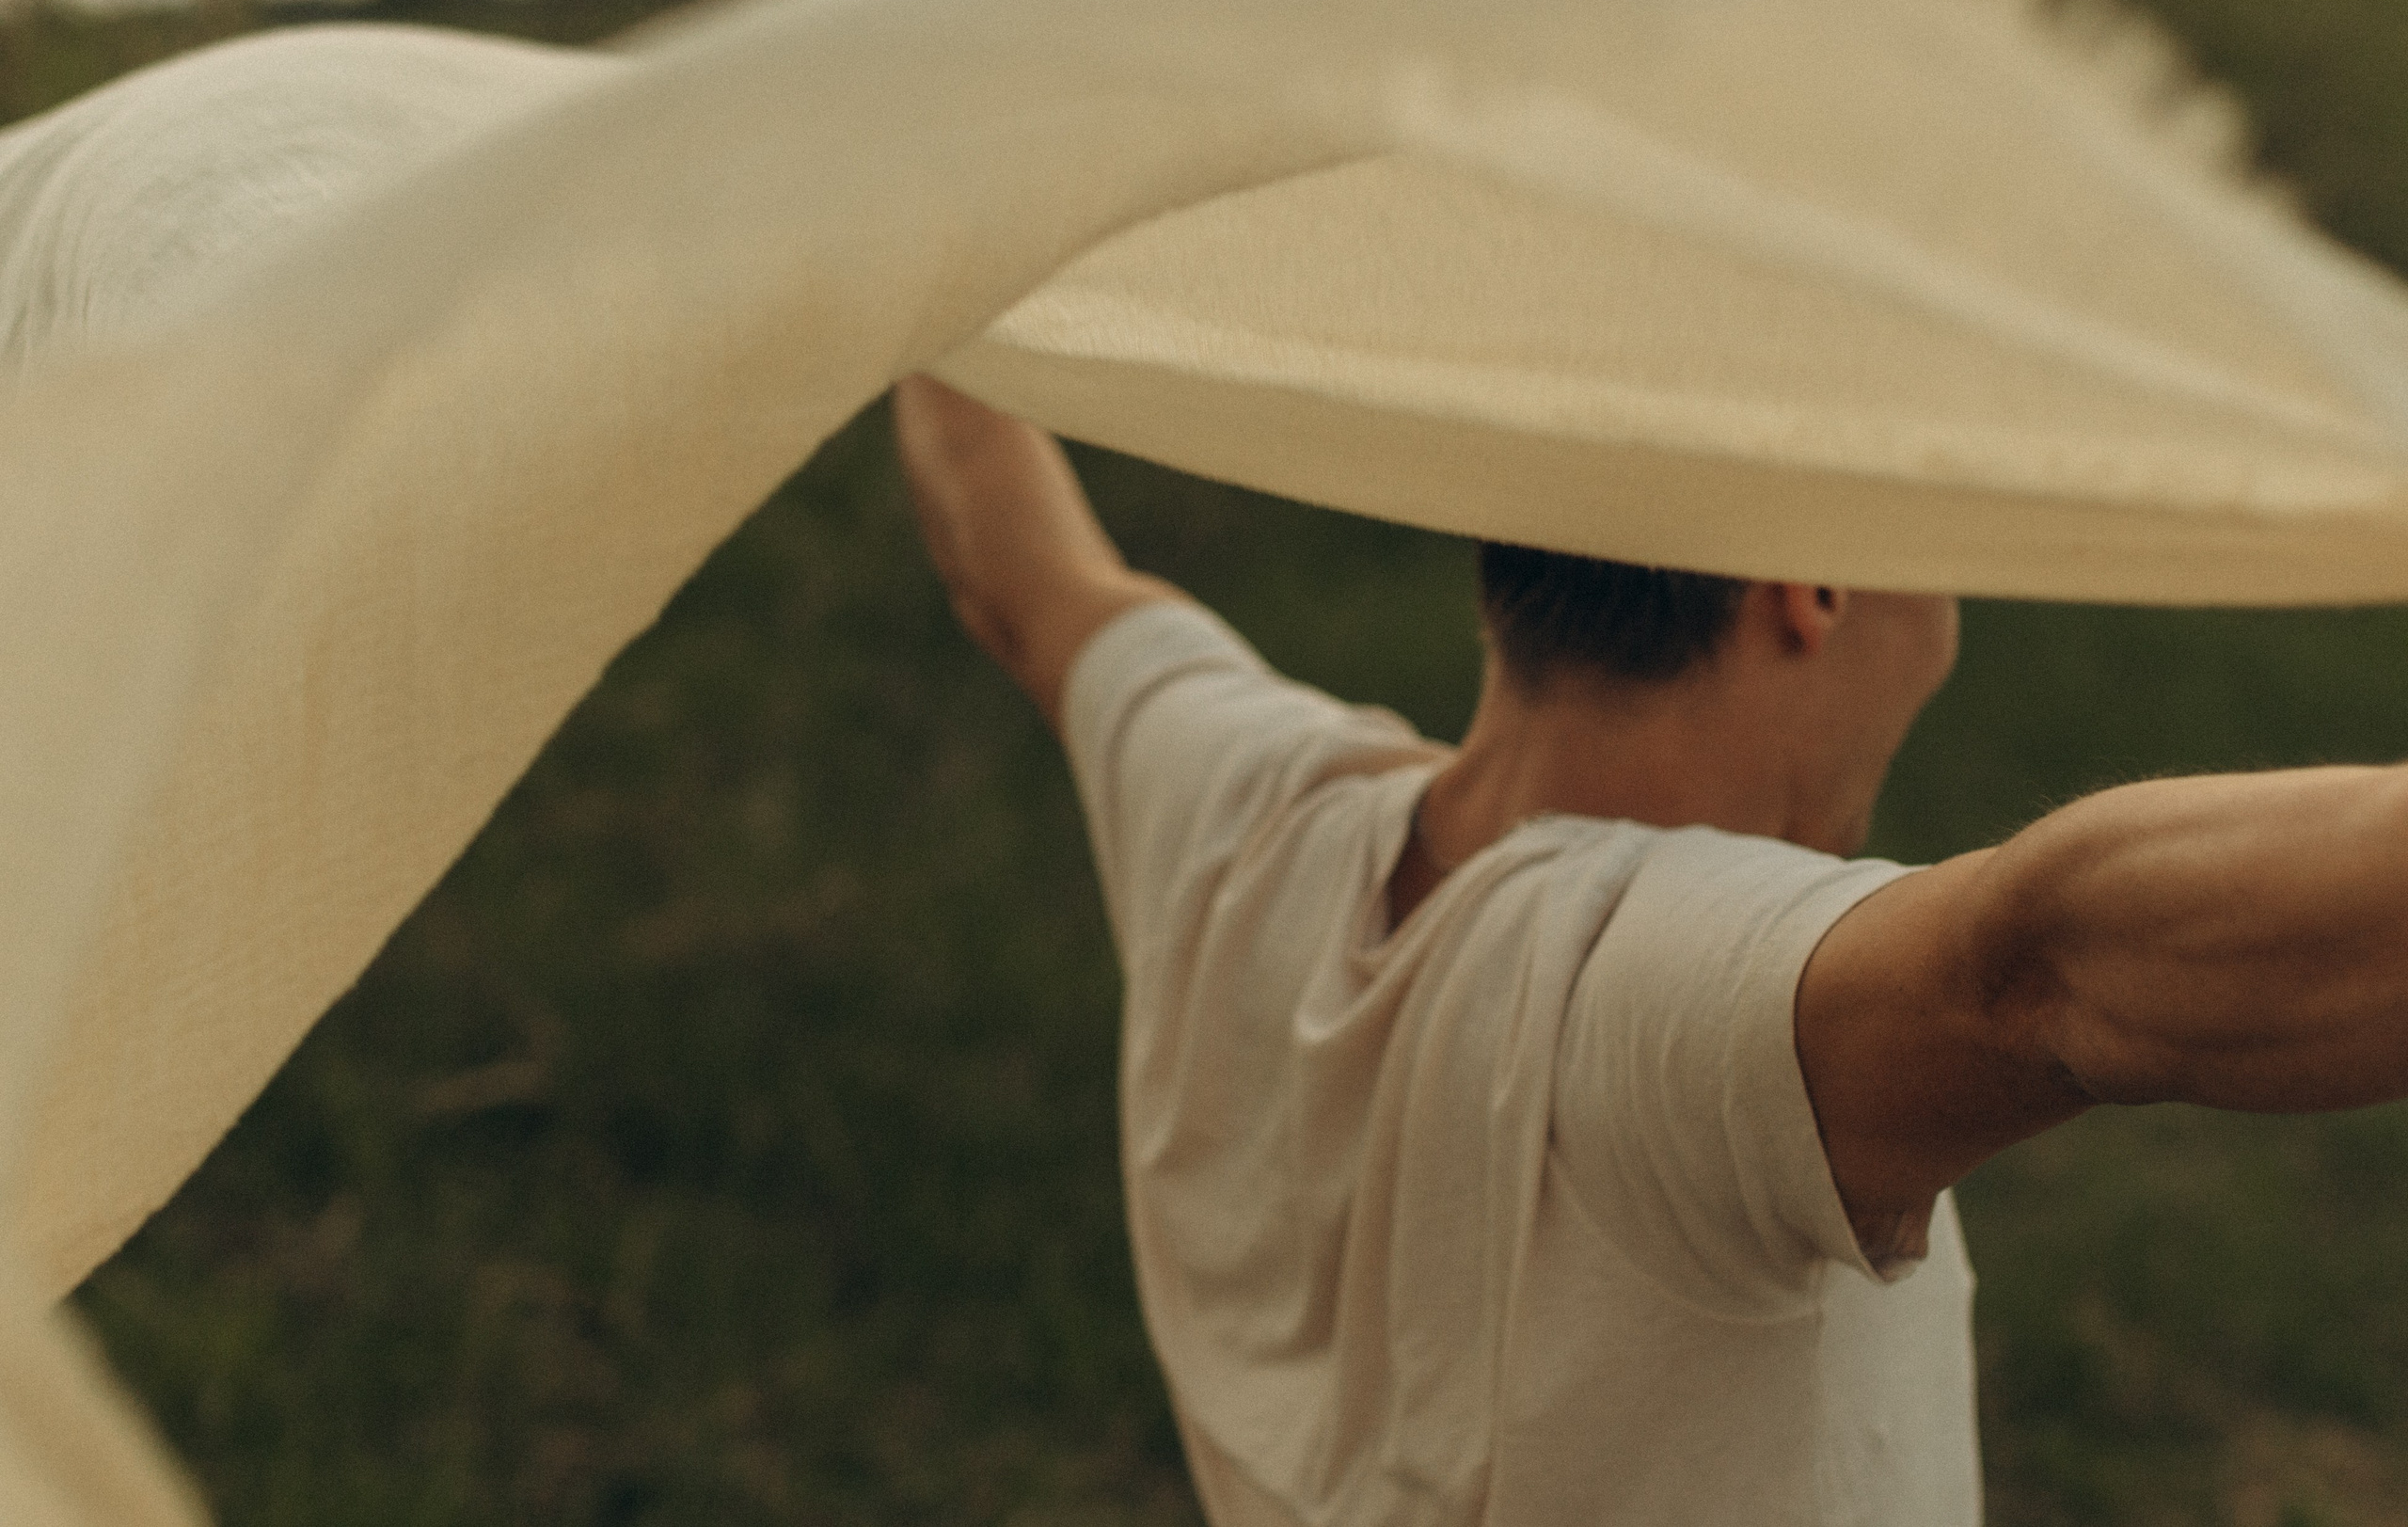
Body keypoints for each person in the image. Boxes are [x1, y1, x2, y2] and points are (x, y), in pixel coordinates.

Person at [890, 373, 2408, 1525]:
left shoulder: (1246, 817)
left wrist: (937, 235)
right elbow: (2039, 966)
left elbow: (1023, 583)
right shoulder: (1648, 998)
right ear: (1811, 582)